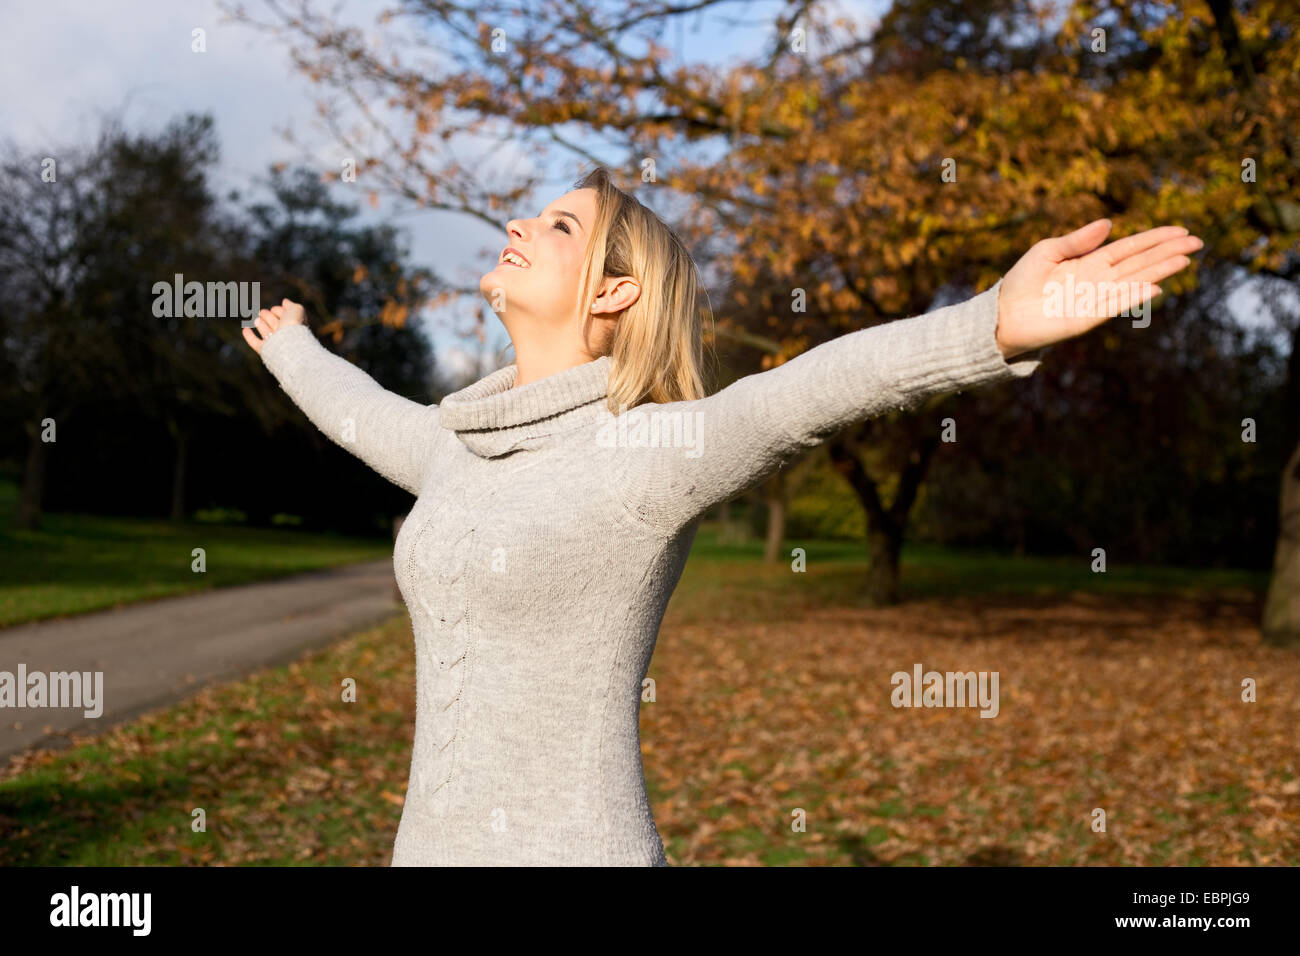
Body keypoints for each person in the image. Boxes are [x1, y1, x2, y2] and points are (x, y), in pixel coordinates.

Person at [242, 165, 1201, 865]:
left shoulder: (647, 456)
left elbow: (800, 396)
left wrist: (987, 324)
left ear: (614, 290)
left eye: (561, 226)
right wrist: (291, 348)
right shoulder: (457, 448)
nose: (520, 222)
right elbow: (363, 414)